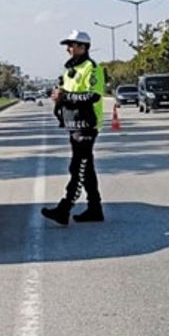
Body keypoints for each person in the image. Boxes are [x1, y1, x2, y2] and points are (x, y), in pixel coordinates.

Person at [42, 30, 106, 225]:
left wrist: (66, 97)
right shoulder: (71, 68)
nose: (68, 49)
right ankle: (95, 209)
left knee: (77, 167)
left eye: (72, 45)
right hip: (73, 124)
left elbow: (93, 95)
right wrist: (58, 96)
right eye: (68, 45)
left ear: (84, 47)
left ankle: (64, 208)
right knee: (86, 169)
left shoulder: (92, 67)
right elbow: (67, 92)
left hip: (87, 124)